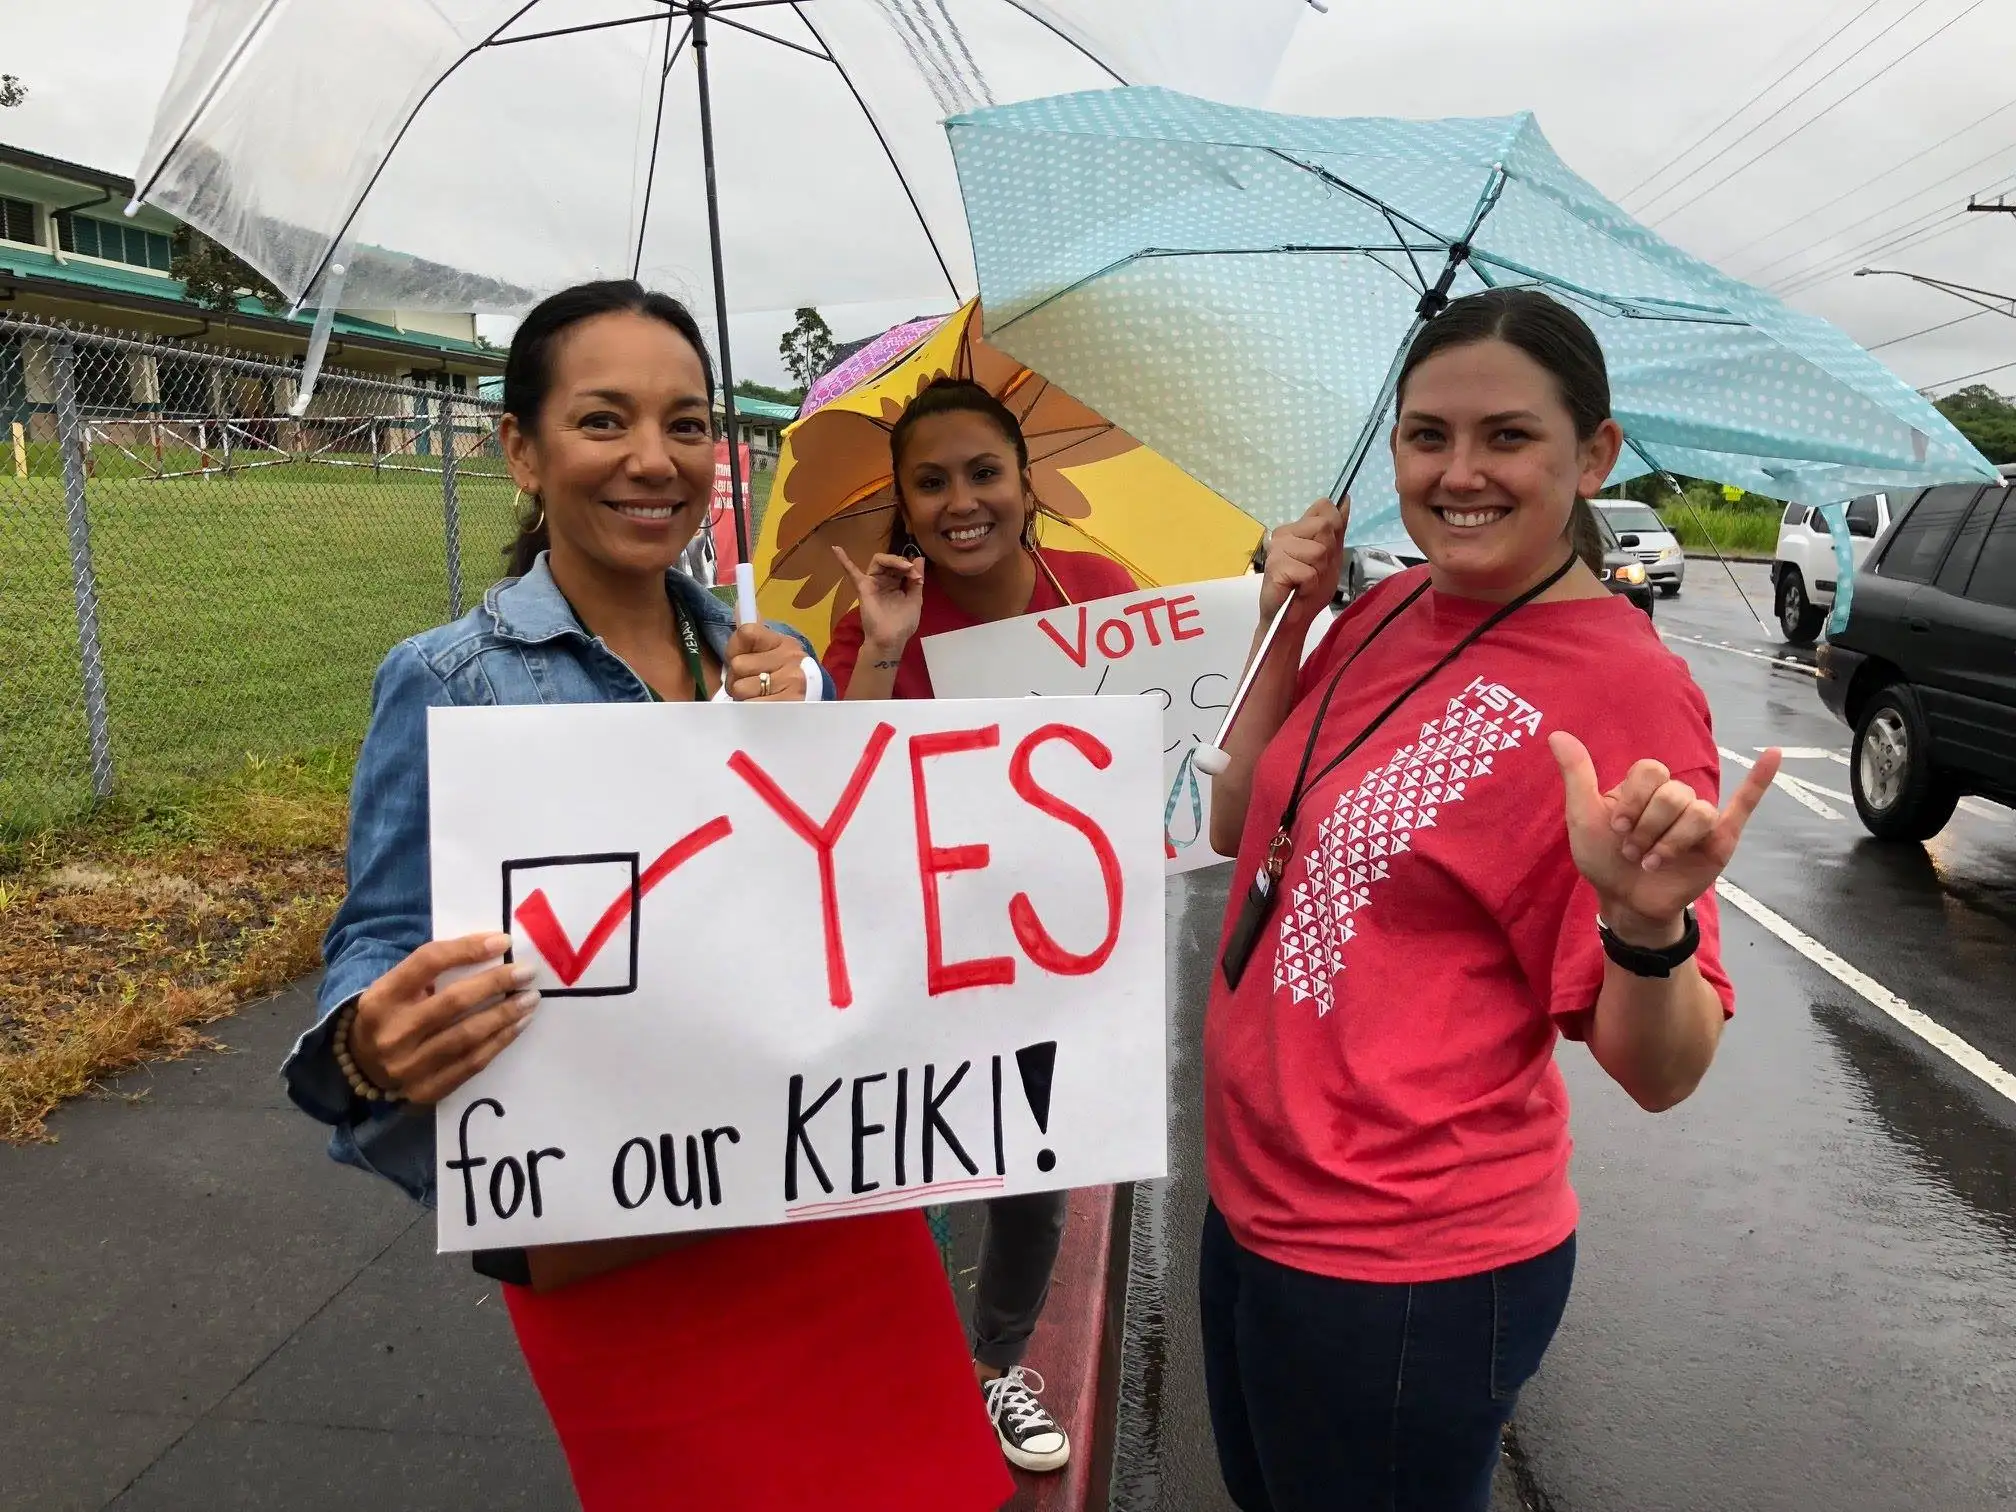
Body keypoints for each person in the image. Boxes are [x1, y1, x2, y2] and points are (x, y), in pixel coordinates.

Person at [281, 281, 1012, 1512]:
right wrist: (369, 1045)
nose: (652, 460)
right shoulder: (449, 682)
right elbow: (379, 940)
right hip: (621, 1243)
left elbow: (864, 912)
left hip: (833, 1211)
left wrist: (816, 743)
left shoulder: (770, 671)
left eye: (684, 424)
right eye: (604, 420)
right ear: (523, 448)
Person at [1197, 288, 1779, 1512]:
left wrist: (1649, 923)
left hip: (1407, 1267)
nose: (1459, 473)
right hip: (1255, 1202)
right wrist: (1285, 632)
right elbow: (1230, 825)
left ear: (1595, 454)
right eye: (1427, 436)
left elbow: (1663, 1070)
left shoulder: (1626, 689)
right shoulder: (1388, 606)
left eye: (1507, 436)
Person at [821, 377, 1136, 1473]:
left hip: (1048, 955)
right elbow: (827, 791)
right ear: (904, 505)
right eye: (932, 482)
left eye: (983, 472)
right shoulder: (876, 619)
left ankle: (994, 1369)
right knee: (896, 1177)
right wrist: (879, 646)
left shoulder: (1098, 591)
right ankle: (903, 1380)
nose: (962, 500)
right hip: (911, 951)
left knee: (1030, 1184)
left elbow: (1151, 770)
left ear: (1027, 483)